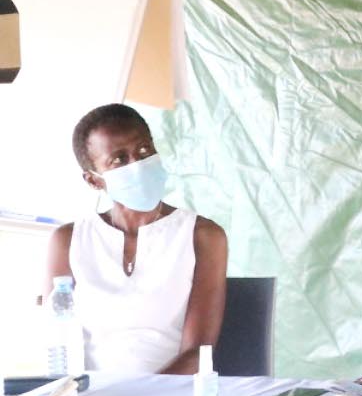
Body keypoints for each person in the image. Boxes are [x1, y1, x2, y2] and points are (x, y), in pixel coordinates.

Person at [45, 103, 228, 374]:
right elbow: (58, 346)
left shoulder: (202, 236)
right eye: (119, 159)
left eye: (144, 150)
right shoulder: (68, 240)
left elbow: (198, 354)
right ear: (94, 180)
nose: (138, 164)